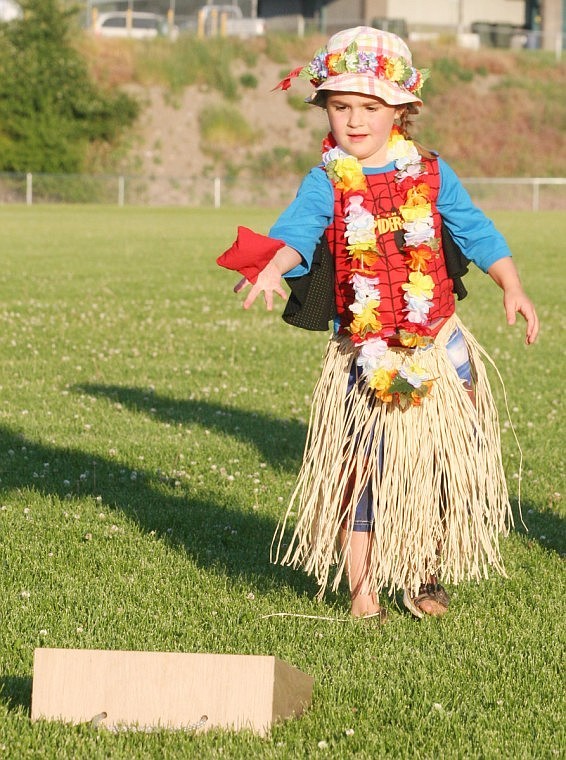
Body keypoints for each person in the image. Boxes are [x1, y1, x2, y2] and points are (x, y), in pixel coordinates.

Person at [217, 27, 539, 621]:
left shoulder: (433, 174)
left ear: (401, 109)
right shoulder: (327, 180)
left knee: (441, 465)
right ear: (326, 110)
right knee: (359, 467)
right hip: (360, 349)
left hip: (437, 341)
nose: (355, 120)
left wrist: (511, 285)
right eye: (342, 107)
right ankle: (363, 590)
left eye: (369, 107)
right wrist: (270, 268)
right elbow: (297, 233)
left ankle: (424, 575)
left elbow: (477, 230)